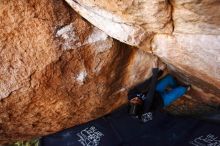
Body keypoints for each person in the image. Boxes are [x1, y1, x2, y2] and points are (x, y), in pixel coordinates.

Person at [40, 60, 220, 146]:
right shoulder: (138, 112)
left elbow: (141, 96)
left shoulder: (134, 103)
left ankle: (179, 84)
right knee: (168, 94)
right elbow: (146, 105)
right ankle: (183, 87)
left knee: (163, 90)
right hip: (152, 105)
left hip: (148, 103)